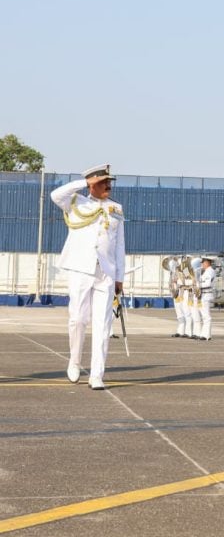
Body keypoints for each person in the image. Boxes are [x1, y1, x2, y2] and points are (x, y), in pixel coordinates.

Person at [50, 164, 126, 390]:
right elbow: (55, 194)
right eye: (103, 181)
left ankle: (97, 374)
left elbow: (119, 244)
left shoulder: (116, 208)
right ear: (92, 184)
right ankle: (74, 361)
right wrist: (85, 183)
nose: (108, 185)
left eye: (109, 182)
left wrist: (120, 276)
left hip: (106, 272)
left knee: (103, 324)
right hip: (80, 269)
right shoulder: (75, 203)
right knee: (78, 319)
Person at [197, 256, 215, 340]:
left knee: (206, 316)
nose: (202, 264)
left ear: (207, 262)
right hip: (202, 295)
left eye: (203, 262)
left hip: (206, 294)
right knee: (204, 315)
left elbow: (208, 284)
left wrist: (197, 286)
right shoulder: (205, 271)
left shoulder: (210, 271)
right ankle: (203, 334)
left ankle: (206, 335)